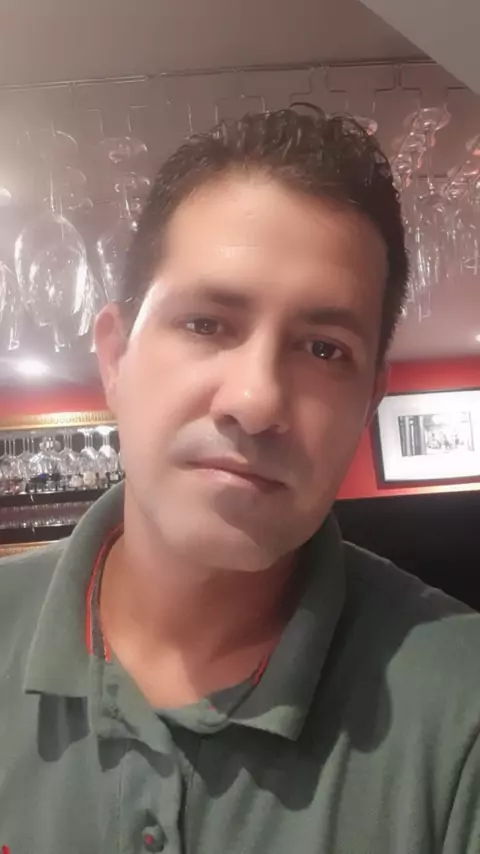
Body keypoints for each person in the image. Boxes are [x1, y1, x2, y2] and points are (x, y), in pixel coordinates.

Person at [0, 106, 478, 854]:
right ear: (115, 357)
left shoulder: (463, 708)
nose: (256, 402)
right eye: (206, 324)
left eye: (324, 349)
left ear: (368, 403)